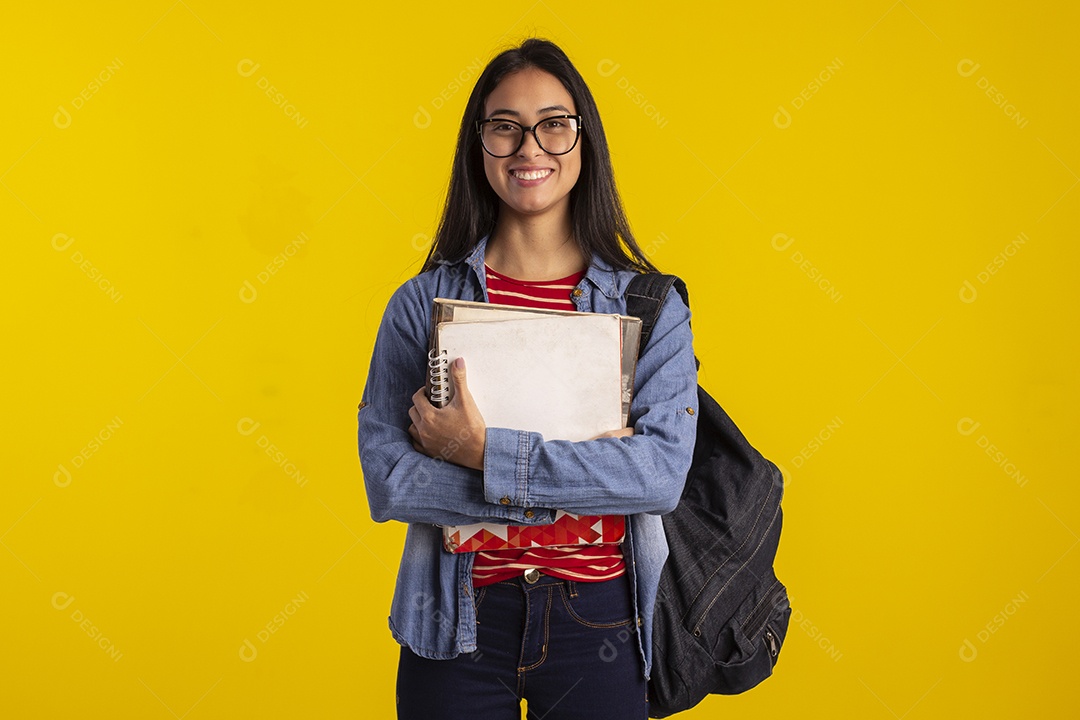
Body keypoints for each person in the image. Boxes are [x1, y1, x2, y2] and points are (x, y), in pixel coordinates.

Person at [357, 37, 698, 719]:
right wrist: (582, 487)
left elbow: (657, 477)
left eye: (554, 124)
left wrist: (479, 453)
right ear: (478, 145)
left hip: (599, 622)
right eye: (505, 127)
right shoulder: (420, 305)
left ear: (584, 139)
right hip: (454, 620)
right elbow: (390, 481)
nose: (529, 148)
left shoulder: (650, 308)